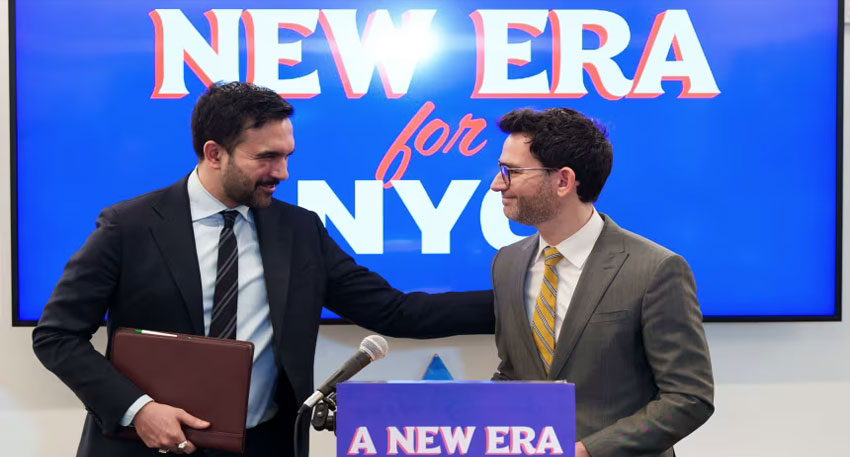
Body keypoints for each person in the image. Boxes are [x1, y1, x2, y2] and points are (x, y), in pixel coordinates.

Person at [32, 82, 494, 457]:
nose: (282, 172)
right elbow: (56, 336)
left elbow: (395, 311)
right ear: (215, 153)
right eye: (266, 158)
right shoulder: (128, 226)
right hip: (143, 446)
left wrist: (520, 297)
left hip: (264, 446)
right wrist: (139, 410)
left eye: (287, 155)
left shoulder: (299, 231)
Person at [488, 107, 714, 457]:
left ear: (563, 181)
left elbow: (689, 397)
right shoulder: (508, 263)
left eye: (512, 171)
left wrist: (589, 450)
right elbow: (513, 372)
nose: (498, 183)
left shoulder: (656, 269)